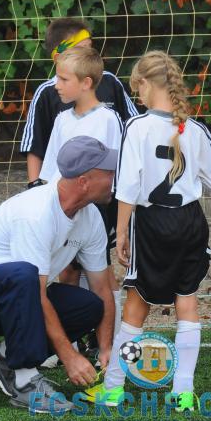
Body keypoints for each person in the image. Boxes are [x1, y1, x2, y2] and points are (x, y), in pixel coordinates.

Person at [0, 136, 117, 414]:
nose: (114, 180)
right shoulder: (36, 212)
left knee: (89, 306)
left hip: (16, 296)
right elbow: (36, 290)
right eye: (109, 173)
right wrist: (69, 356)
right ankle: (24, 381)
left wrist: (106, 350)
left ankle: (4, 357)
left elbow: (102, 289)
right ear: (84, 181)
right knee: (25, 274)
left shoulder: (92, 218)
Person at [84, 51, 211, 412]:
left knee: (136, 306)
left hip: (152, 224)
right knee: (187, 302)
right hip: (190, 222)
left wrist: (121, 232)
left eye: (138, 88)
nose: (137, 96)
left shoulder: (137, 127)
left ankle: (113, 389)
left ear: (147, 83)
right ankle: (183, 393)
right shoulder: (194, 129)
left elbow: (127, 188)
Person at [38, 46, 124, 339]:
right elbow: (51, 169)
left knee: (102, 273)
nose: (56, 85)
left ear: (86, 83)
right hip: (63, 206)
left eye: (63, 79)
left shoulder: (108, 119)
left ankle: (110, 340)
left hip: (96, 208)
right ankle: (69, 342)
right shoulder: (62, 119)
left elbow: (117, 171)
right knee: (67, 272)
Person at [19, 17, 138, 187]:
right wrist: (35, 185)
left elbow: (133, 127)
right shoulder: (46, 93)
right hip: (64, 189)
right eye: (81, 49)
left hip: (104, 189)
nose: (90, 54)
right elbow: (34, 145)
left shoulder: (110, 83)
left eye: (91, 47)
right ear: (59, 57)